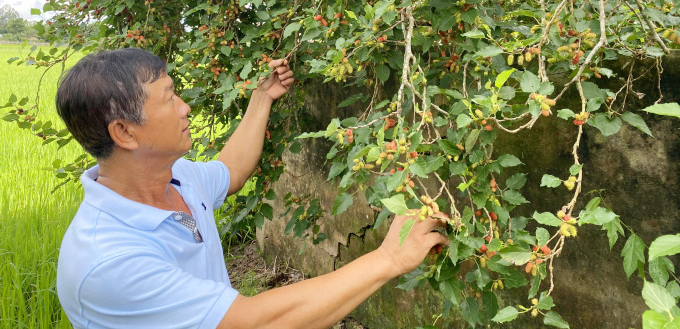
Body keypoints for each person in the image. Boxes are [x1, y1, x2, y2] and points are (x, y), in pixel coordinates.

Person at [55, 48, 448, 329]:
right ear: (124, 132)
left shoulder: (178, 178)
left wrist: (262, 98)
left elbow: (231, 169)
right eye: (170, 97)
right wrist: (389, 260)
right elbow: (254, 322)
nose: (184, 107)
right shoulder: (108, 262)